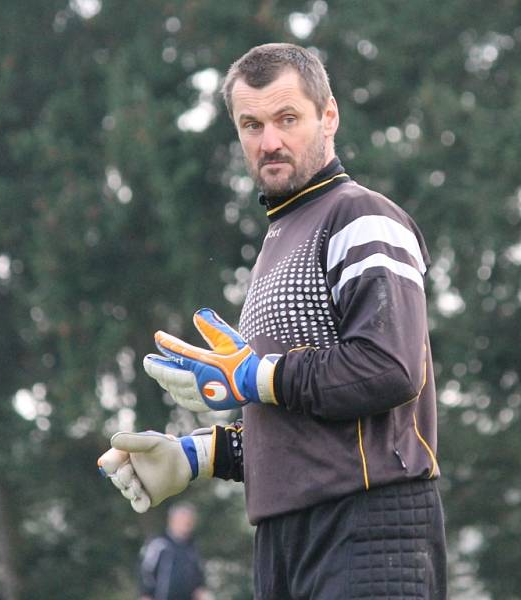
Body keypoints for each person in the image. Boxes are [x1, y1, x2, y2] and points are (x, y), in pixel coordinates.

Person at [98, 42, 447, 599]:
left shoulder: (360, 215)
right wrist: (201, 455)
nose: (270, 141)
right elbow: (305, 423)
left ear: (329, 116)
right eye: (251, 124)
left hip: (370, 530)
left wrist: (257, 377)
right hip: (285, 542)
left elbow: (390, 368)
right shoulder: (278, 239)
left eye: (288, 119)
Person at [137, 502, 209, 600]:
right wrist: (146, 595)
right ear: (172, 521)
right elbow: (146, 572)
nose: (186, 523)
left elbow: (198, 578)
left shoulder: (193, 548)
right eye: (182, 520)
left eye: (189, 521)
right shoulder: (159, 544)